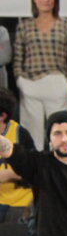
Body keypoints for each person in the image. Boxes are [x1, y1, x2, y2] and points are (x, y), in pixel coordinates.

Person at [14, 0, 67, 151]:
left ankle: (57, 174)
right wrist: (21, 81)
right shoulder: (24, 25)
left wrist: (66, 83)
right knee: (30, 137)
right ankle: (32, 175)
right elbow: (18, 58)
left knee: (59, 135)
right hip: (30, 85)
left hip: (57, 84)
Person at [0, 90, 35, 224]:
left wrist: (10, 174)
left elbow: (36, 171)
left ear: (2, 116)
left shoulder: (20, 134)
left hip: (19, 203)